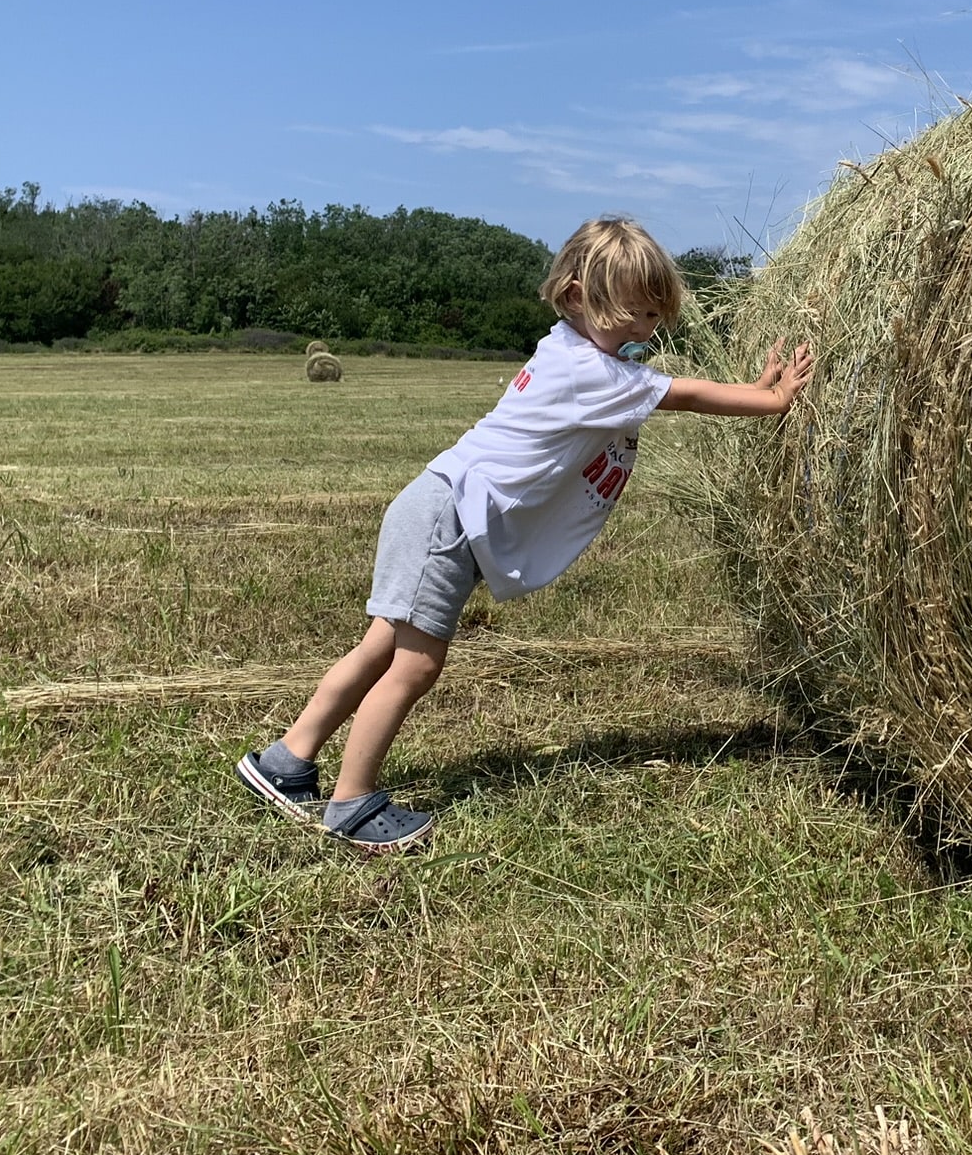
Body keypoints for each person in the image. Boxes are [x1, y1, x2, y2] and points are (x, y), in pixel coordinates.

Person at [233, 215, 812, 853]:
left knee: (379, 649)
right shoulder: (591, 373)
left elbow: (681, 388)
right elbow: (689, 396)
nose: (647, 331)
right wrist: (774, 401)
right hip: (448, 519)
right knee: (415, 665)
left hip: (437, 506)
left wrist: (753, 390)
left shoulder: (566, 349)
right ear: (575, 298)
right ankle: (352, 803)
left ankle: (286, 761)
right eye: (634, 315)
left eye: (654, 317)